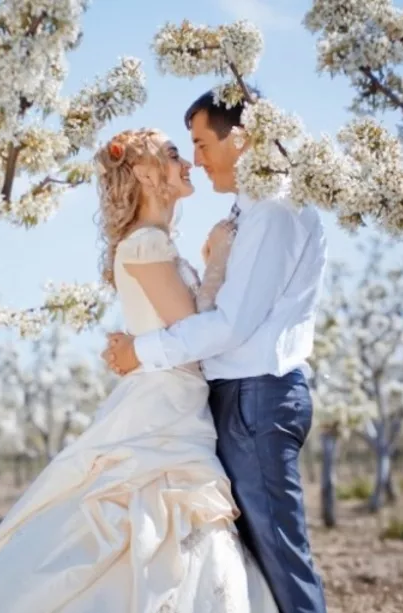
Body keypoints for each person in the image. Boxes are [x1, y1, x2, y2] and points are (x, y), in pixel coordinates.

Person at [0, 128, 278, 612]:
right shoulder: (144, 245)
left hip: (177, 405)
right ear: (142, 172)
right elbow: (194, 335)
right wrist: (218, 263)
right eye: (175, 155)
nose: (189, 165)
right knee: (161, 516)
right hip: (163, 412)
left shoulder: (155, 244)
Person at [102, 89, 328, 613]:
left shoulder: (271, 210)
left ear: (242, 138)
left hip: (256, 398)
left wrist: (143, 351)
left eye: (201, 144)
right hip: (237, 400)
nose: (197, 160)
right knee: (255, 564)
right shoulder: (248, 210)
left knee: (281, 559)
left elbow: (230, 325)